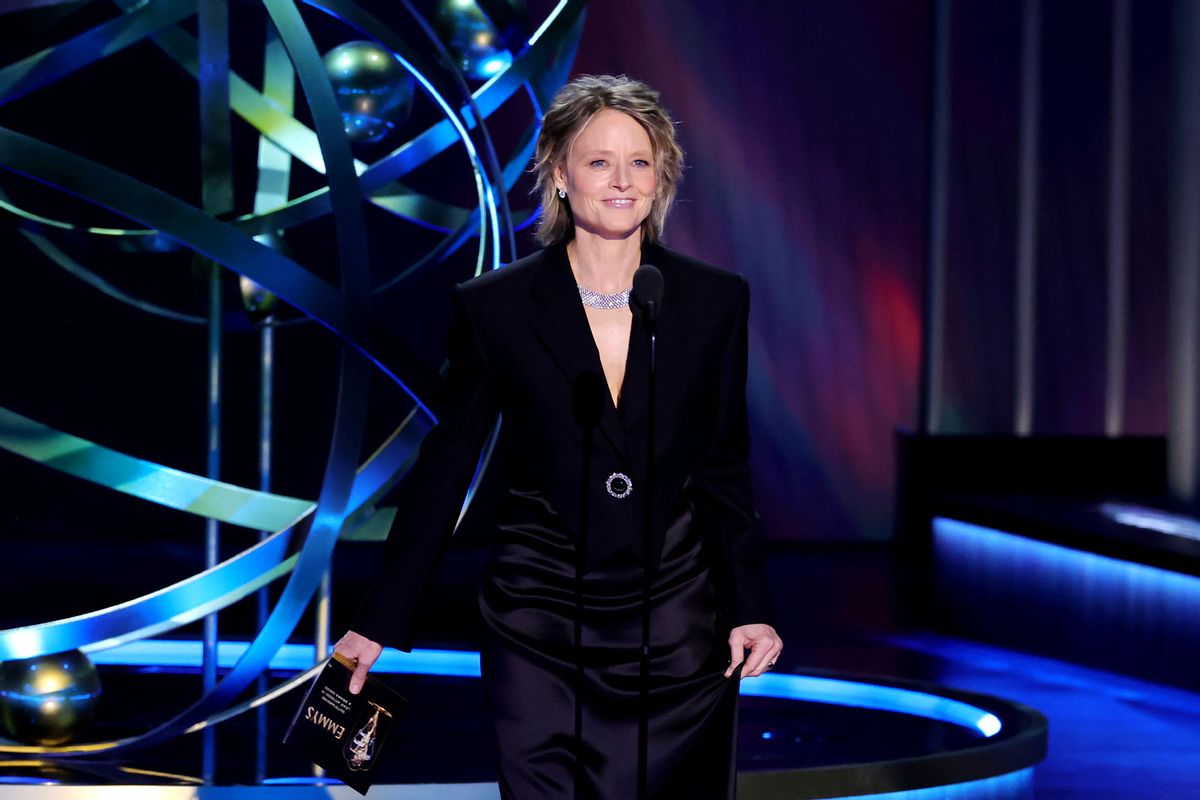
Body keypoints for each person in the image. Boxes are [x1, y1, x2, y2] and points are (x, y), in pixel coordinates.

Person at [335, 74, 782, 800]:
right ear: (558, 173)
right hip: (538, 615)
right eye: (599, 161)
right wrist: (381, 618)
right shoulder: (497, 306)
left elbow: (724, 466)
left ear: (662, 176)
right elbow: (447, 465)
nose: (621, 180)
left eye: (640, 161)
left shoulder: (712, 300)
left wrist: (750, 604)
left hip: (674, 618)